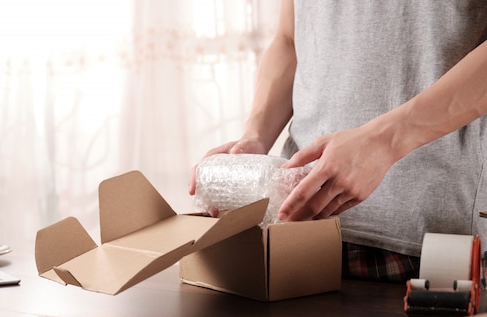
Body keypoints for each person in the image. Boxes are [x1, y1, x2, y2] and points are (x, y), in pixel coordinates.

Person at [189, 0, 487, 281]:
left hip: (432, 243)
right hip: (295, 230)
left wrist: (383, 142)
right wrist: (255, 136)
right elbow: (290, 39)